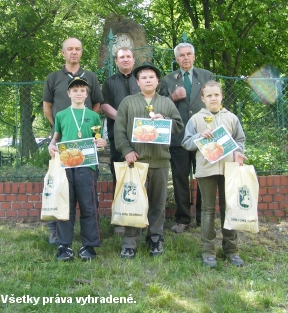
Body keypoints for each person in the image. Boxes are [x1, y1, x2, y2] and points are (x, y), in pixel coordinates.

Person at [114, 63, 184, 259]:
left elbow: (178, 126)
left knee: (157, 204)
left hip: (160, 161)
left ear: (157, 81)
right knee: (133, 203)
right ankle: (129, 241)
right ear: (137, 82)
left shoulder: (167, 103)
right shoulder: (128, 103)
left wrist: (164, 122)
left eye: (151, 77)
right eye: (143, 78)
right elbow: (118, 130)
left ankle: (155, 237)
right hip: (136, 162)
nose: (147, 80)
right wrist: (126, 150)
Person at [43, 37, 104, 245]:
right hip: (62, 148)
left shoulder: (91, 77)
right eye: (70, 49)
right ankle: (58, 234)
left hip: (86, 152)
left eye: (78, 49)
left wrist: (83, 121)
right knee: (62, 194)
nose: (74, 52)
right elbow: (47, 108)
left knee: (87, 199)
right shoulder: (53, 77)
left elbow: (97, 104)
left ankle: (90, 242)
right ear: (63, 53)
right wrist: (61, 127)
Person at [182, 80, 247, 267]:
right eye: (209, 95)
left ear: (221, 96)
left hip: (229, 169)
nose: (213, 98)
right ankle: (208, 251)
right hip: (206, 170)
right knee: (208, 210)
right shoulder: (196, 119)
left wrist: (237, 153)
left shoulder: (231, 118)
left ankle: (232, 250)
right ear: (203, 99)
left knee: (229, 209)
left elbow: (240, 140)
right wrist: (199, 137)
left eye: (216, 95)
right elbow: (186, 142)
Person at [47, 76, 107, 261]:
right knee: (66, 204)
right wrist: (51, 146)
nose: (79, 93)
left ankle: (89, 246)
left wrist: (102, 143)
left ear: (87, 94)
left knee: (88, 205)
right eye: (75, 90)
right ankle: (64, 245)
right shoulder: (61, 115)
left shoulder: (94, 116)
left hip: (87, 165)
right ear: (69, 93)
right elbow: (56, 137)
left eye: (82, 90)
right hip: (66, 165)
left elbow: (98, 142)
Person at [159, 42, 215, 233]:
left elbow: (215, 102)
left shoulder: (207, 76)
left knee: (202, 176)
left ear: (194, 56)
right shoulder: (167, 80)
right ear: (176, 59)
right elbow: (158, 106)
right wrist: (172, 97)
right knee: (180, 178)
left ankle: (202, 217)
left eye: (188, 54)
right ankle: (183, 219)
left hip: (204, 135)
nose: (185, 58)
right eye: (181, 55)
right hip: (178, 137)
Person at [100, 47, 140, 194]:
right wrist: (123, 119)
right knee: (119, 173)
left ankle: (141, 213)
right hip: (117, 135)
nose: (125, 59)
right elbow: (104, 105)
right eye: (122, 57)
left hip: (140, 135)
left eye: (128, 56)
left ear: (133, 60)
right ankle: (120, 212)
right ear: (116, 61)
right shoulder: (109, 82)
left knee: (141, 173)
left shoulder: (141, 80)